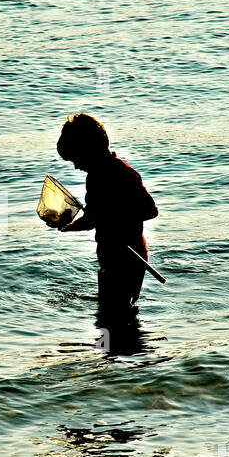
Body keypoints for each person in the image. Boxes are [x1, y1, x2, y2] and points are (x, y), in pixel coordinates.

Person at [55, 113, 158, 321]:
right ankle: (122, 349)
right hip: (109, 255)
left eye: (76, 158)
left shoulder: (122, 174)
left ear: (90, 149)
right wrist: (70, 226)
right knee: (111, 314)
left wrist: (114, 220)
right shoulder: (94, 178)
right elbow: (94, 219)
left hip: (130, 256)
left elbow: (149, 209)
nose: (76, 166)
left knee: (115, 314)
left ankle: (126, 350)